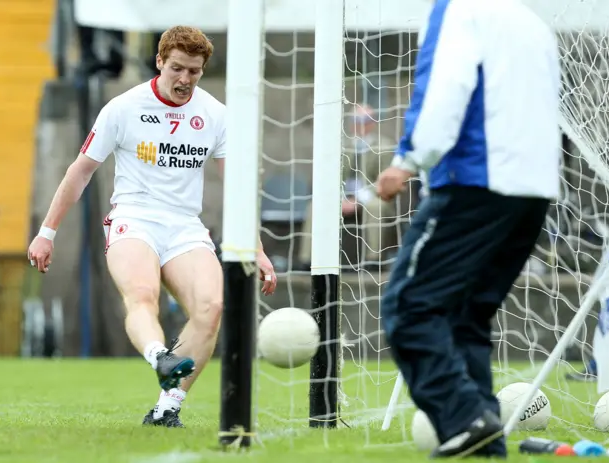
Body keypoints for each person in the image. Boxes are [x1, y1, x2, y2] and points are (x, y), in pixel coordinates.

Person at [27, 26, 278, 428]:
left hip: (184, 226)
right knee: (143, 295)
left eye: (193, 72)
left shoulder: (215, 114)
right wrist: (47, 232)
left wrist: (258, 249)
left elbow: (237, 188)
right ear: (159, 61)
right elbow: (80, 172)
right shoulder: (123, 108)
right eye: (177, 68)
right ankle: (161, 357)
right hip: (133, 218)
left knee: (211, 308)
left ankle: (167, 407)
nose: (184, 80)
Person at [375, 0, 560, 458]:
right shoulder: (533, 23)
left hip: (474, 184)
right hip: (533, 191)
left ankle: (463, 417)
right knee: (465, 319)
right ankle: (484, 443)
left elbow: (445, 87)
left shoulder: (460, 10)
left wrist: (408, 159)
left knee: (410, 307)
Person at [297, 104, 401, 270]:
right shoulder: (340, 144)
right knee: (316, 207)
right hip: (343, 197)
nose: (359, 124)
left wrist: (358, 200)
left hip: (372, 196)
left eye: (364, 120)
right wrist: (340, 198)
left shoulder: (385, 146)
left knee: (376, 207)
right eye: (355, 120)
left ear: (372, 123)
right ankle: (306, 260)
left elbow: (384, 181)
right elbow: (330, 177)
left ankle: (373, 260)